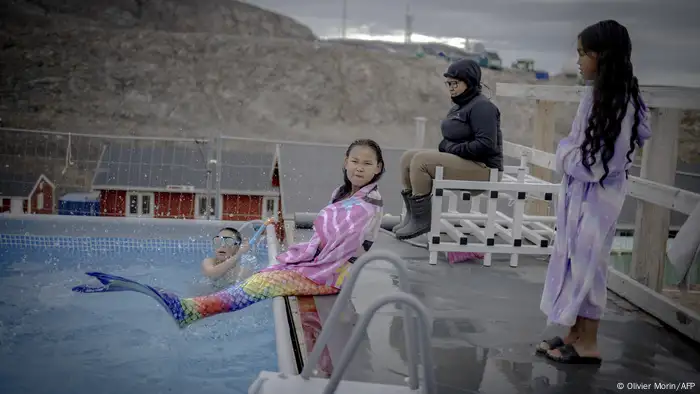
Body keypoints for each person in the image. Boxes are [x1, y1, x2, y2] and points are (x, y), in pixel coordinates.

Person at [71, 139, 386, 328]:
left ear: (378, 168)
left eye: (367, 163)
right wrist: (302, 255)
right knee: (264, 275)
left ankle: (195, 309)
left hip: (335, 275)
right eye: (354, 160)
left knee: (266, 280)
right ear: (345, 162)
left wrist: (306, 261)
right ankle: (196, 307)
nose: (359, 167)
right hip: (323, 265)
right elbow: (326, 234)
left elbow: (341, 245)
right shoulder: (342, 193)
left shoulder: (366, 204)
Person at [536, 20, 651, 364]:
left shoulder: (618, 102)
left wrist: (565, 154)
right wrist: (572, 151)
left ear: (604, 56)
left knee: (590, 266)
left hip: (597, 196)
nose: (578, 61)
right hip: (584, 194)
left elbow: (599, 161)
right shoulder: (600, 95)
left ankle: (589, 342)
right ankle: (574, 332)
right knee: (575, 261)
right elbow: (584, 147)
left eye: (584, 53)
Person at [393, 58, 503, 240]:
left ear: (469, 82)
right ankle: (412, 216)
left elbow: (486, 144)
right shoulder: (461, 105)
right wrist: (449, 147)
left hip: (484, 169)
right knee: (408, 157)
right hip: (466, 161)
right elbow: (449, 142)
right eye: (448, 83)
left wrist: (451, 148)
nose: (451, 87)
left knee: (421, 161)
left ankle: (423, 220)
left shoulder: (483, 107)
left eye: (455, 83)